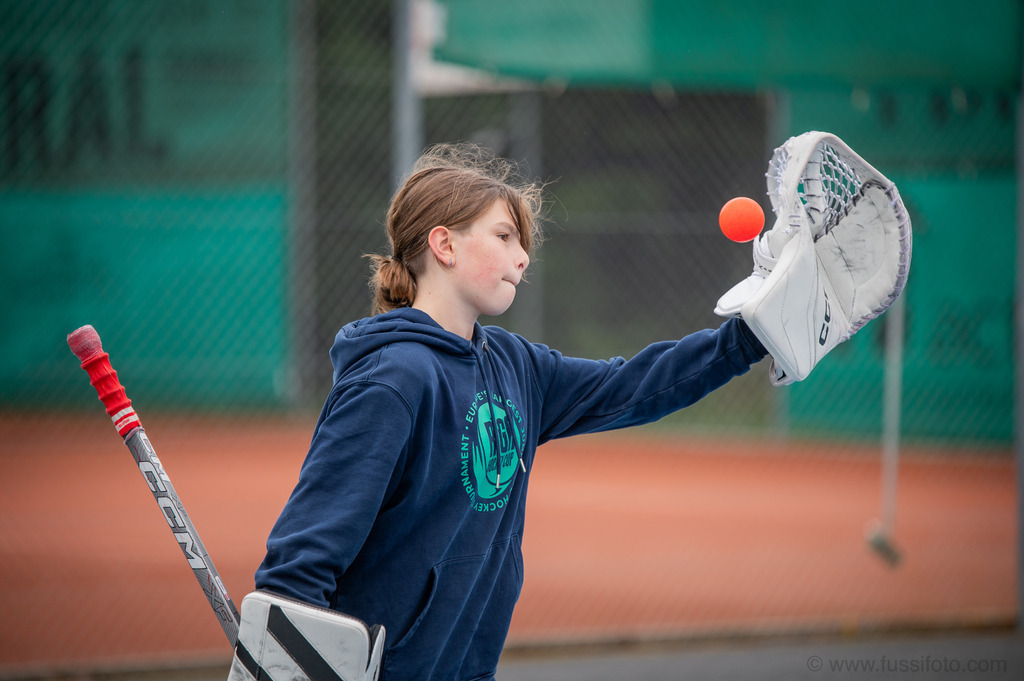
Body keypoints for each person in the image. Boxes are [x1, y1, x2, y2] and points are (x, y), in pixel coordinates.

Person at [253, 143, 768, 680]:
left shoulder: (515, 364)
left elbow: (632, 385)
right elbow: (301, 558)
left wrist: (752, 335)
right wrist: (283, 664)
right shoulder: (392, 380)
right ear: (444, 245)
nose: (522, 256)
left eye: (522, 242)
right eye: (504, 237)